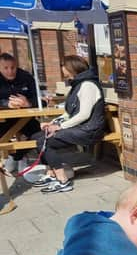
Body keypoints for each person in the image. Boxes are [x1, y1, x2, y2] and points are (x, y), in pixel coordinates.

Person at [32, 55, 105, 194]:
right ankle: (51, 174)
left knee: (46, 141)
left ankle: (63, 180)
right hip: (80, 127)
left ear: (71, 68)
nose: (62, 70)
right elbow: (69, 113)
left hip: (89, 130)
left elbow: (84, 114)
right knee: (38, 137)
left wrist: (60, 127)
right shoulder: (78, 84)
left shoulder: (87, 85)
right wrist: (53, 122)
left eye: (63, 66)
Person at [0, 52, 40, 173]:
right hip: (3, 120)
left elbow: (39, 99)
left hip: (25, 118)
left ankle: (17, 156)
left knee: (39, 134)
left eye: (13, 67)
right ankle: (16, 157)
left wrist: (28, 103)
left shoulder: (26, 77)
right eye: (5, 68)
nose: (10, 71)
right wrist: (6, 104)